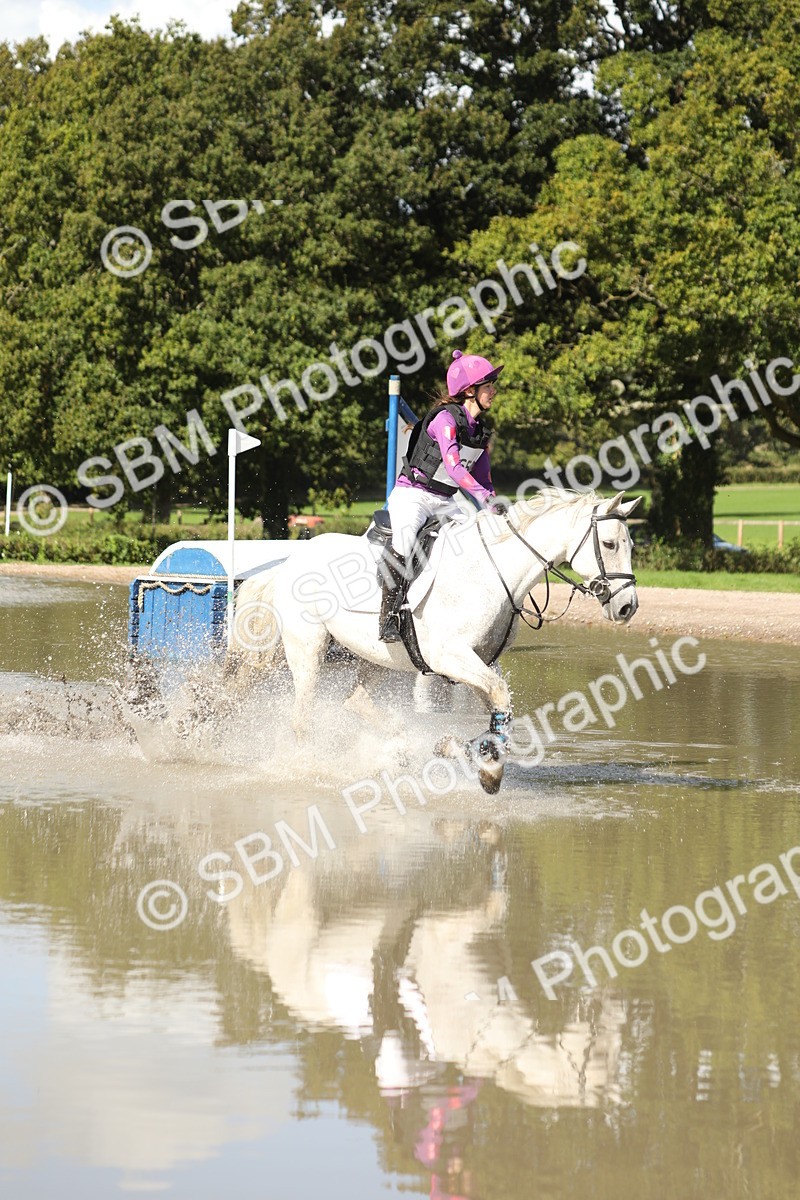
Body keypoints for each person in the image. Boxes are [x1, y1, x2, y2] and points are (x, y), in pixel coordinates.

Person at [379, 349, 505, 642]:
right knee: (404, 542)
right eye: (488, 386)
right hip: (414, 495)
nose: (493, 391)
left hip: (445, 501)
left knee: (474, 542)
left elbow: (484, 480)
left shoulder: (479, 433)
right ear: (470, 391)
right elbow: (455, 468)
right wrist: (484, 499)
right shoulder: (445, 420)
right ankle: (388, 617)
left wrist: (497, 506)